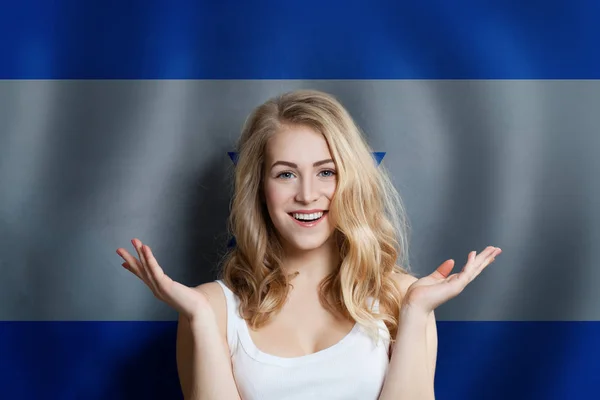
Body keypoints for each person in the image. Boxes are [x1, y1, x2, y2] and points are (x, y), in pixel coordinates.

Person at [116, 89, 502, 400]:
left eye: (326, 172)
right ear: (259, 188)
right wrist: (199, 319)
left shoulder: (403, 297)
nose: (307, 194)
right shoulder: (209, 308)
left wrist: (416, 312)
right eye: (286, 174)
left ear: (350, 182)